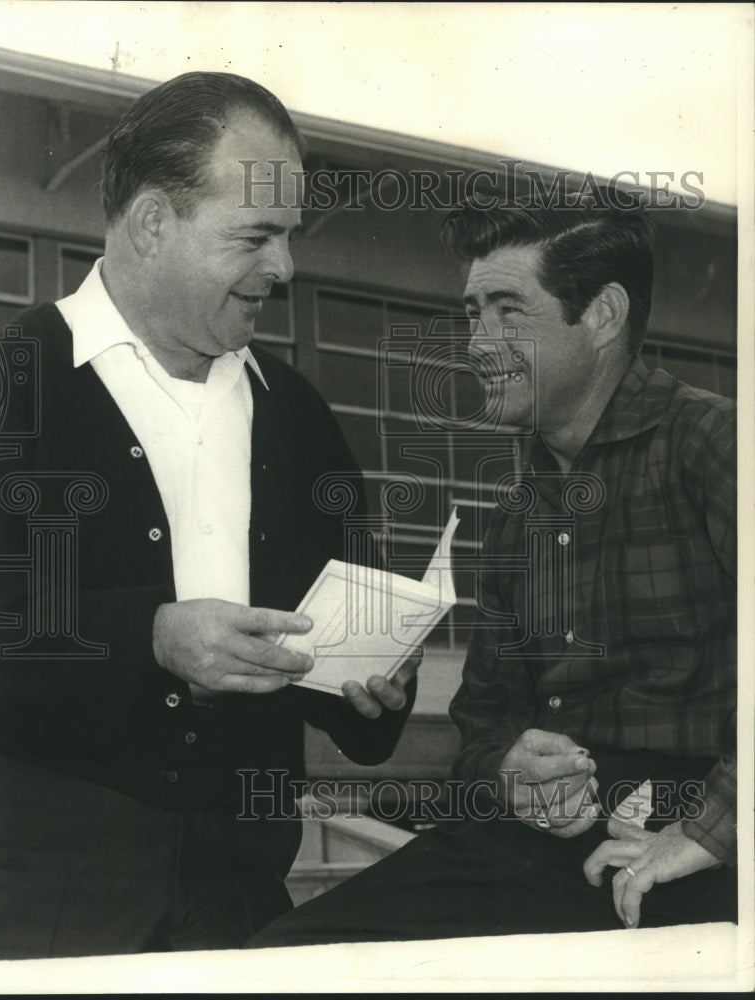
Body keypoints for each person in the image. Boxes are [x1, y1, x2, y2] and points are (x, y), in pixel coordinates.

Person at [0, 72, 418, 959]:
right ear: (150, 224)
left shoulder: (299, 415)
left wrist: (375, 685)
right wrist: (150, 634)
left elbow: (356, 704)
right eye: (255, 236)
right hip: (41, 902)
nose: (285, 270)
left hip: (242, 897)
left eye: (289, 238)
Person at [247, 197, 737, 946]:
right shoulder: (518, 511)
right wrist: (511, 769)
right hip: (550, 846)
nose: (478, 343)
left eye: (509, 312)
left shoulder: (716, 443)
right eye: (474, 313)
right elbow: (477, 732)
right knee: (285, 955)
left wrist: (708, 833)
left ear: (603, 315)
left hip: (700, 833)